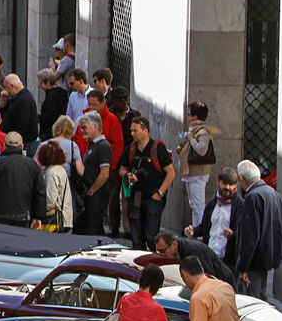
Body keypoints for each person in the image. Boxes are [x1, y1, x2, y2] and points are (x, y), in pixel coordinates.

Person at [118, 116, 175, 251]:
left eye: (135, 131)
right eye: (131, 131)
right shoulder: (130, 149)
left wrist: (160, 193)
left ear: (145, 131)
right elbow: (122, 169)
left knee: (151, 236)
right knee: (136, 237)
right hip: (135, 197)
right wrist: (128, 175)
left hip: (153, 198)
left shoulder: (157, 148)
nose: (132, 134)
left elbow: (171, 173)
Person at [234, 159, 282, 300]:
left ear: (243, 179)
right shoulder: (273, 193)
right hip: (267, 257)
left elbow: (250, 236)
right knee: (261, 297)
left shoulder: (253, 197)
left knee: (251, 300)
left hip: (254, 261)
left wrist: (243, 267)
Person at [0, 131, 46, 228]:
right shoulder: (32, 165)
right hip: (23, 217)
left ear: (4, 146)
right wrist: (38, 216)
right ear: (22, 146)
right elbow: (40, 192)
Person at [187, 167, 243, 269]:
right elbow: (204, 227)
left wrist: (232, 234)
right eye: (224, 183)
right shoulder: (211, 204)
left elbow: (245, 233)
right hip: (210, 255)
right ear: (218, 182)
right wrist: (193, 231)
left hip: (229, 260)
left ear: (236, 185)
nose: (227, 187)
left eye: (230, 185)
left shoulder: (240, 206)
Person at [178, 101, 218, 229]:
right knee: (194, 204)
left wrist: (191, 138)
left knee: (199, 205)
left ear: (195, 117)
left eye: (189, 114)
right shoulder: (195, 130)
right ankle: (195, 231)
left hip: (198, 173)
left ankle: (201, 232)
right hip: (192, 172)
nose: (188, 116)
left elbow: (201, 150)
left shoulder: (202, 131)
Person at [154, 230, 236, 286]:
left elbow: (209, 276)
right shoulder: (183, 250)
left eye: (163, 251)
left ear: (174, 245)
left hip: (223, 283)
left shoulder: (193, 251)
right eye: (158, 252)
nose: (161, 255)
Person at [76, 111, 112, 236]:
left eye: (84, 127)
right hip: (90, 193)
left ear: (95, 127)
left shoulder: (102, 146)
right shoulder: (92, 145)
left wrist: (92, 190)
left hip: (97, 194)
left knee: (93, 228)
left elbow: (105, 173)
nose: (82, 131)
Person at [37, 141, 73, 232]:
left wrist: (38, 210)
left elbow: (50, 200)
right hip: (65, 218)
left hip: (55, 220)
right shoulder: (60, 169)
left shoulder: (51, 173)